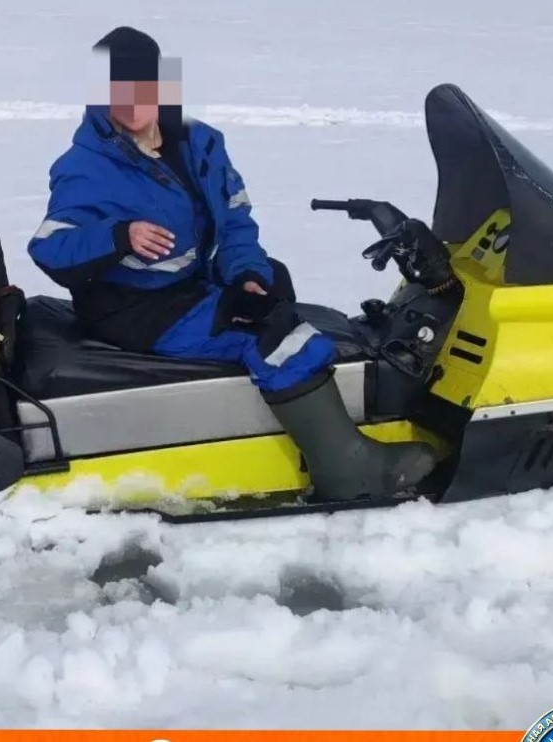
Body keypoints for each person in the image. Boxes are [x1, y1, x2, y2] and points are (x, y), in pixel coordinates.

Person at [27, 26, 436, 502]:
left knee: (272, 282)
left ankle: (274, 424)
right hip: (132, 307)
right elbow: (50, 247)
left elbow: (236, 224)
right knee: (269, 332)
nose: (131, 101)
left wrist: (247, 275)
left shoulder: (199, 144)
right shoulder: (86, 164)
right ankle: (349, 470)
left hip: (188, 285)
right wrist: (120, 236)